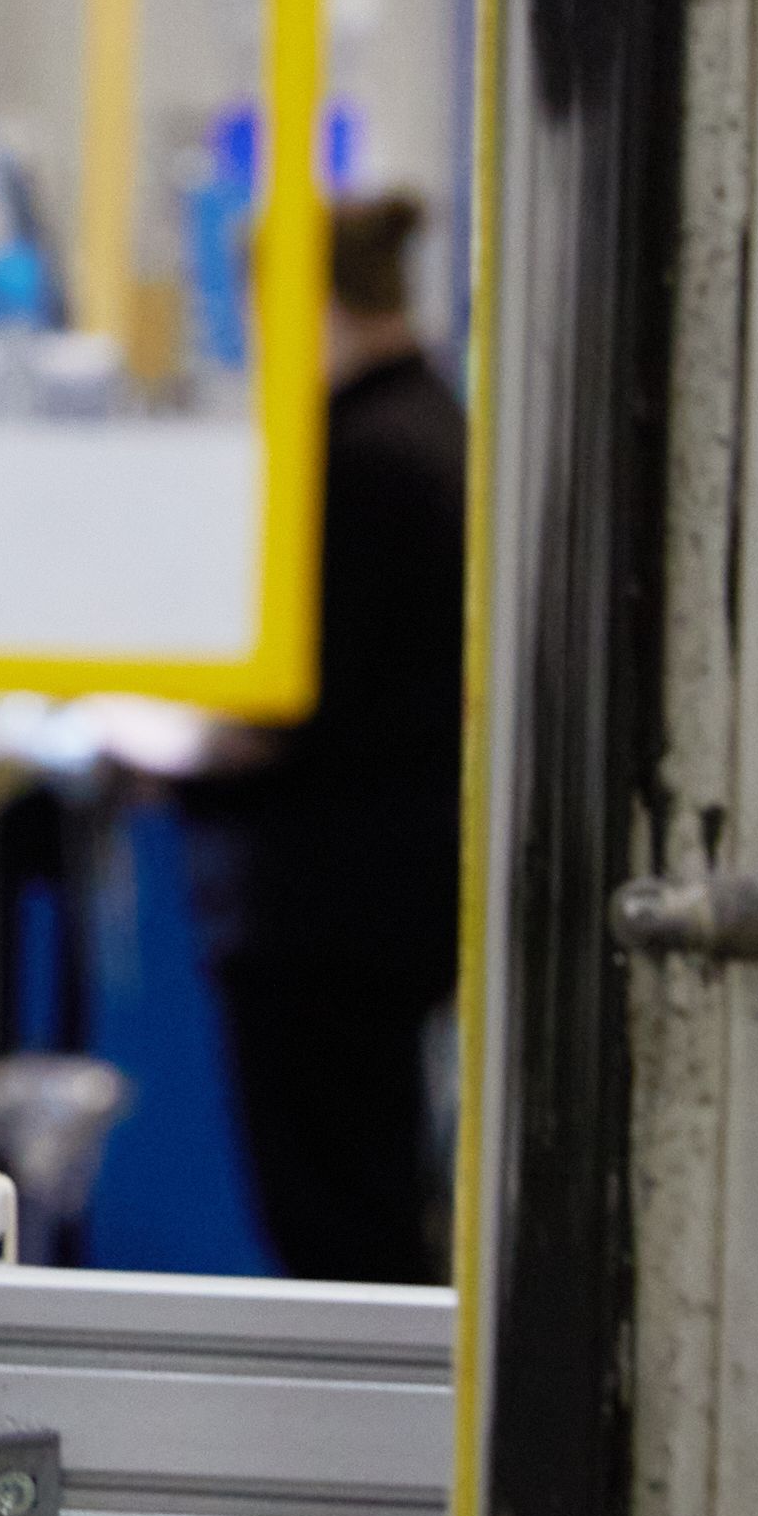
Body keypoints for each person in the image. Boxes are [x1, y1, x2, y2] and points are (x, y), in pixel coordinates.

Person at [188, 187, 470, 1290]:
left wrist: (174, 753)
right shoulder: (432, 426)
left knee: (335, 1218)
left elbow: (295, 708)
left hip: (330, 916)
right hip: (388, 901)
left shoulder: (364, 460)